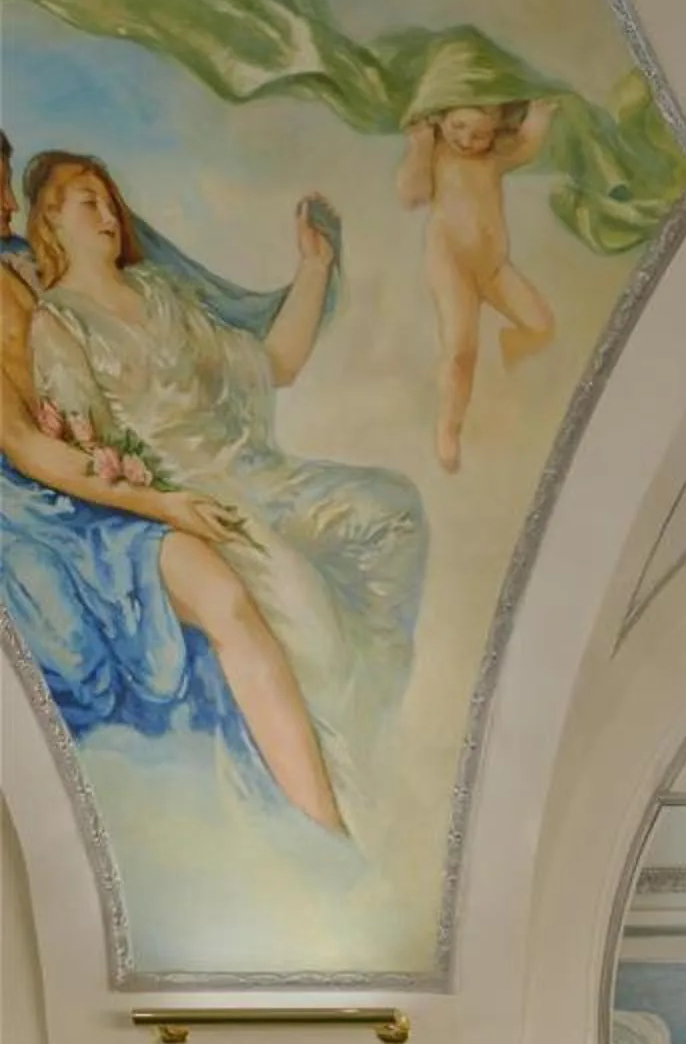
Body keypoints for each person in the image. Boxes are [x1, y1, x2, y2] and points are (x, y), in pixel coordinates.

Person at [24, 151, 427, 831]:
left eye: (107, 198)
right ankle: (331, 810)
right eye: (83, 200)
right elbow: (88, 455)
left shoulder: (161, 295)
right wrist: (165, 505)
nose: (106, 212)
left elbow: (275, 364)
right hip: (204, 503)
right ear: (49, 223)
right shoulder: (59, 326)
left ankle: (369, 727)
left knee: (392, 512)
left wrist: (315, 268)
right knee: (309, 621)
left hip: (260, 476)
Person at [397, 97, 557, 471]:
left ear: (495, 131)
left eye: (480, 133)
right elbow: (410, 194)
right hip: (451, 265)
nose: (468, 140)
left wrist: (539, 117)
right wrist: (420, 145)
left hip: (493, 265)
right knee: (460, 352)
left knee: (541, 325)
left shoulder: (492, 158)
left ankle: (509, 350)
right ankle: (448, 429)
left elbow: (526, 147)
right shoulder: (437, 154)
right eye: (458, 128)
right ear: (441, 121)